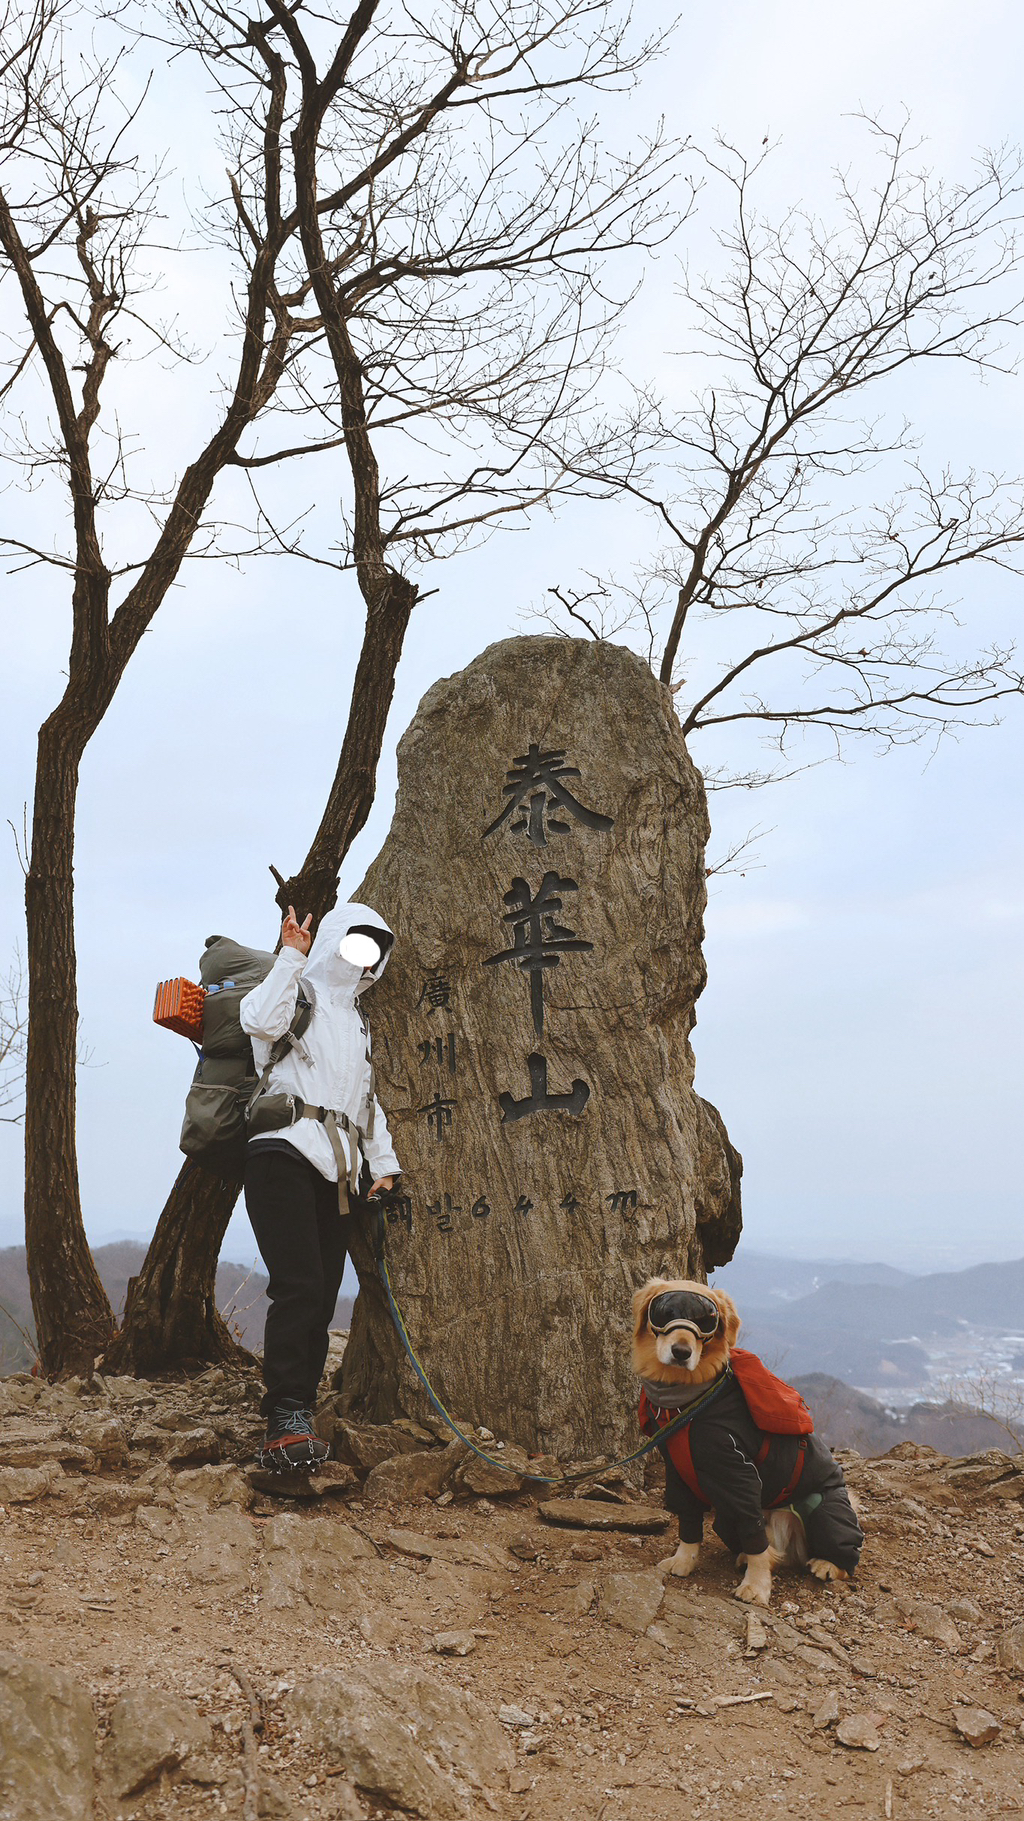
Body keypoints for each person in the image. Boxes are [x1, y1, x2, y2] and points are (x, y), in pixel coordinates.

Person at [239, 899, 401, 1469]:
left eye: (374, 950)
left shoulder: (359, 1024)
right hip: (281, 1152)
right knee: (300, 1285)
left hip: (340, 1171)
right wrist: (291, 955)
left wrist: (383, 1164)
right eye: (356, 944)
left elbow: (366, 1103)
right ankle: (282, 1415)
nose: (363, 959)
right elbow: (257, 1021)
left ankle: (298, 1412)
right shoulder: (296, 994)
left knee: (323, 1290)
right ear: (335, 939)